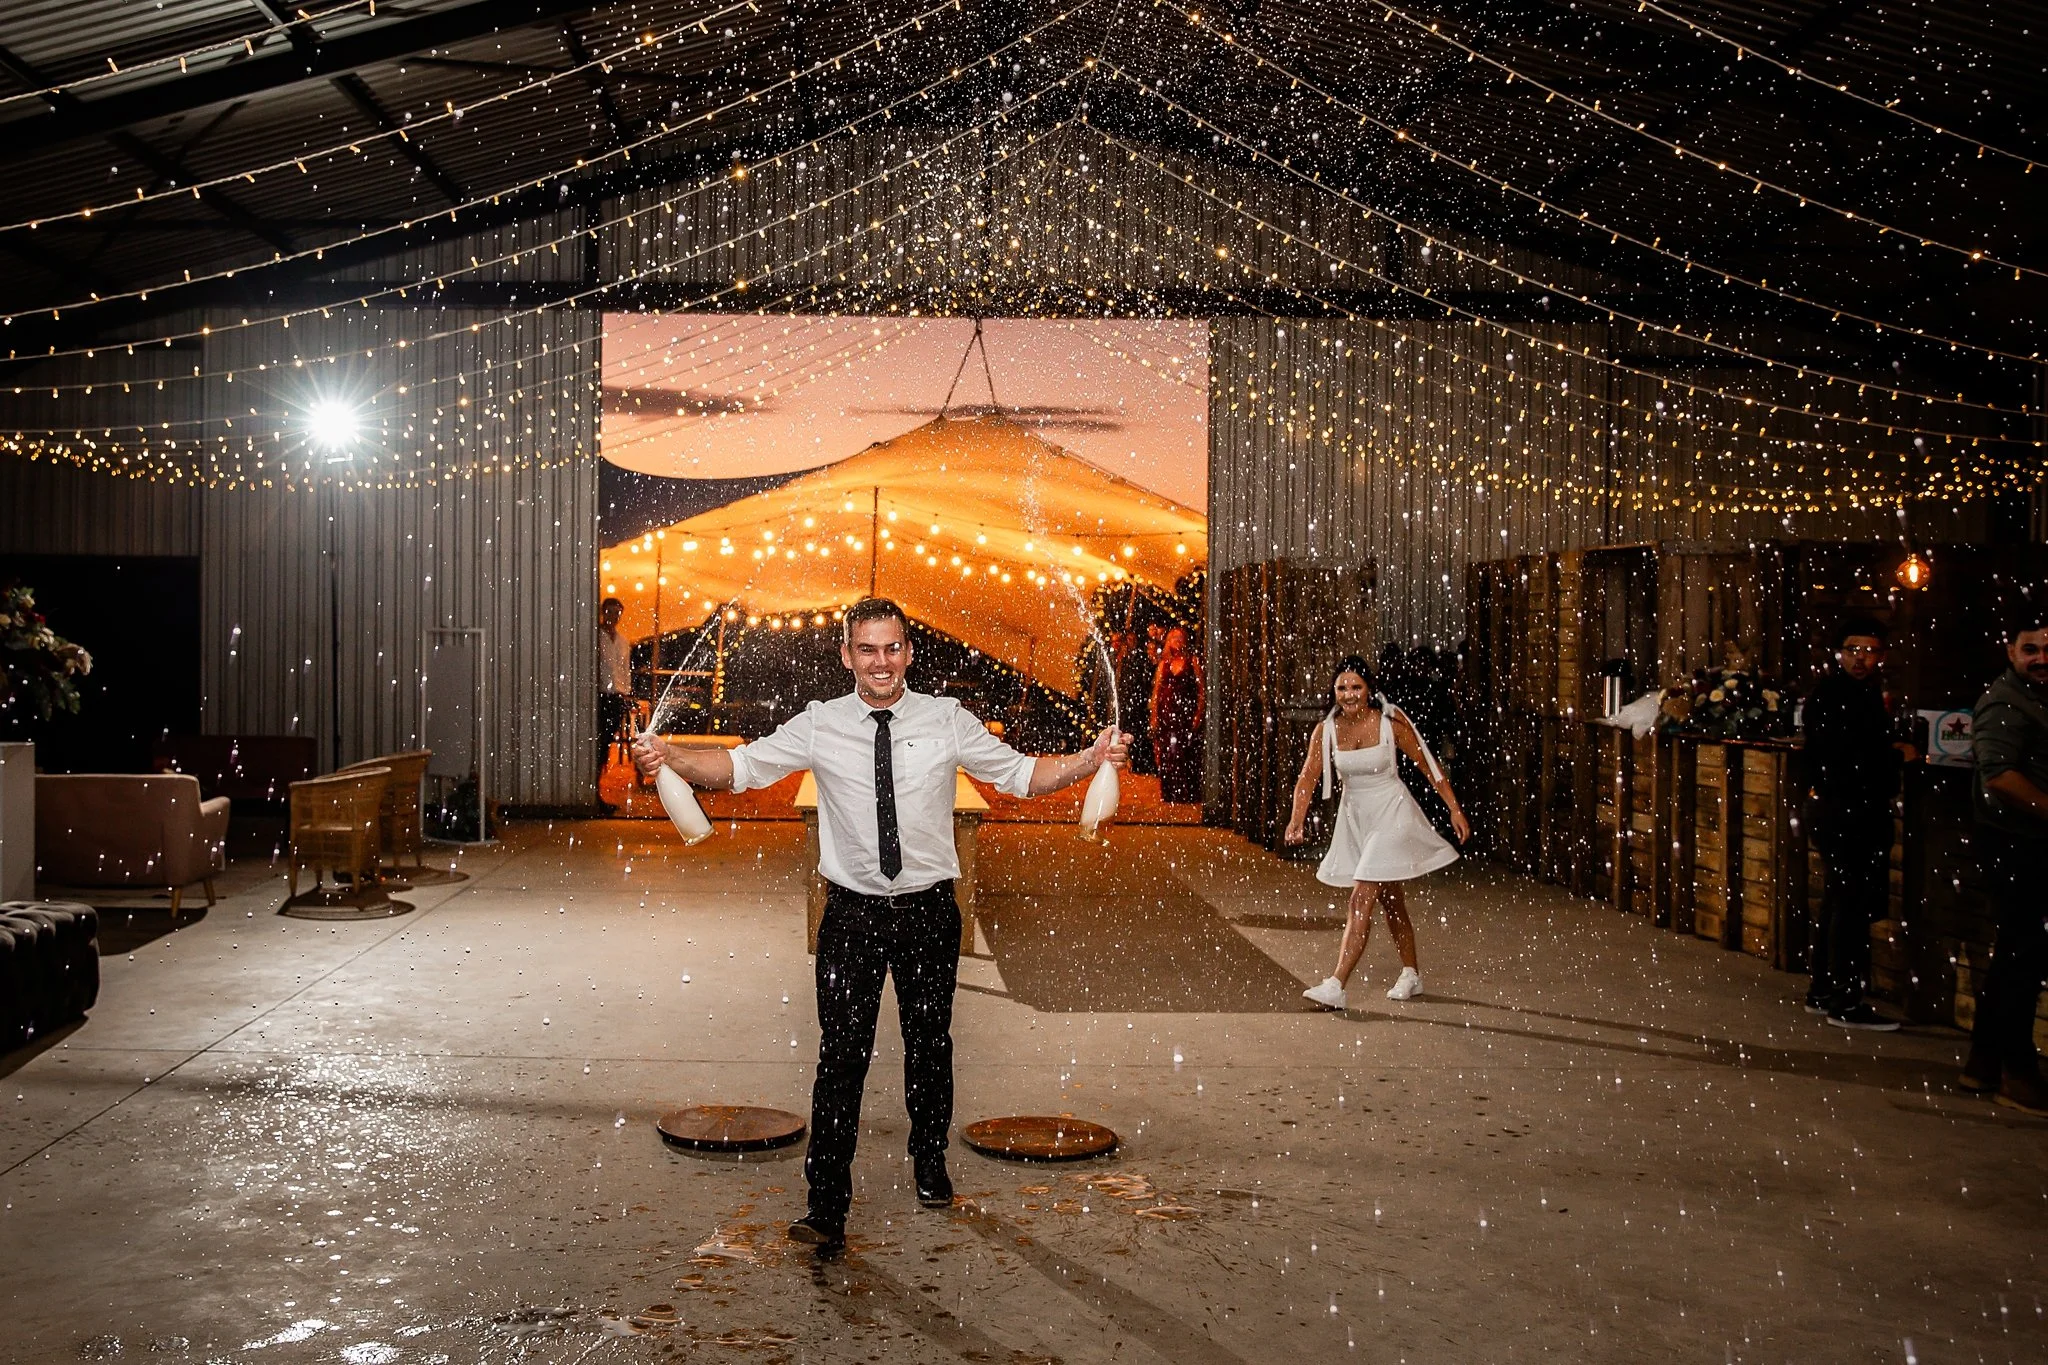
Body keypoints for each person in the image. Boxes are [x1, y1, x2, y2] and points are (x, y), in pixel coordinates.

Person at [632, 597, 1130, 1249]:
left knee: (931, 1046)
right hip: (851, 915)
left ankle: (930, 1163)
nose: (881, 661)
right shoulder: (820, 724)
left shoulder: (947, 719)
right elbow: (737, 770)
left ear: (910, 652)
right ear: (846, 655)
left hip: (928, 910)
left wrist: (1091, 759)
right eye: (867, 649)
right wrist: (669, 755)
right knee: (840, 1059)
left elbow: (1023, 776)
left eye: (892, 647)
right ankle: (825, 1206)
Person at [1285, 656, 1470, 1009]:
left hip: (1392, 814)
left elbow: (1428, 764)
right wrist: (1297, 820)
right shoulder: (1327, 730)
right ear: (1334, 691)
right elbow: (1307, 778)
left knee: (1361, 897)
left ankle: (1336, 983)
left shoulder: (1390, 722)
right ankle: (1411, 974)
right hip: (1357, 820)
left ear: (1369, 688)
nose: (1349, 694)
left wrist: (1454, 808)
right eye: (1342, 687)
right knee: (1392, 901)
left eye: (1356, 686)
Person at [1800, 617, 1913, 1031]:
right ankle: (1844, 999)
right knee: (1849, 904)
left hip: (1843, 806)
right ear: (1839, 653)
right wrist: (1896, 758)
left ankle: (1824, 989)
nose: (1861, 658)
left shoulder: (1856, 695)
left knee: (1839, 899)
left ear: (1881, 655)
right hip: (1847, 808)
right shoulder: (1837, 696)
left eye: (1869, 651)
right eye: (1853, 650)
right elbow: (1845, 757)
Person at [1962, 610, 2048, 1116]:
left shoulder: (2035, 699)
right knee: (2023, 961)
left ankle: (1984, 1063)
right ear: (2011, 651)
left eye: (2047, 649)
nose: (2041, 659)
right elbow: (1998, 776)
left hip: (2028, 845)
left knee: (2015, 959)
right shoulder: (2006, 701)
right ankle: (2016, 1073)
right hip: (2019, 846)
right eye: (2031, 649)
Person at [1150, 625, 1205, 803]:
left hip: (1185, 714)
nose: (1177, 642)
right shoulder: (1163, 664)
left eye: (1180, 638)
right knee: (1168, 753)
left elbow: (1201, 690)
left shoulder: (1192, 661)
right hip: (1167, 713)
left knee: (1185, 752)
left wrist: (1198, 713)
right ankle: (1170, 793)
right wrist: (1154, 716)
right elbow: (1157, 692)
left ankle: (1186, 794)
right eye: (1173, 638)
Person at [596, 596, 632, 813]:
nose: (613, 617)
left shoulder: (623, 641)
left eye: (617, 613)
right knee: (599, 744)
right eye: (609, 612)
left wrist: (626, 693)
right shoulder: (597, 637)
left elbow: (624, 669)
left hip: (616, 696)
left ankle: (598, 787)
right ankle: (595, 790)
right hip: (601, 694)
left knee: (607, 743)